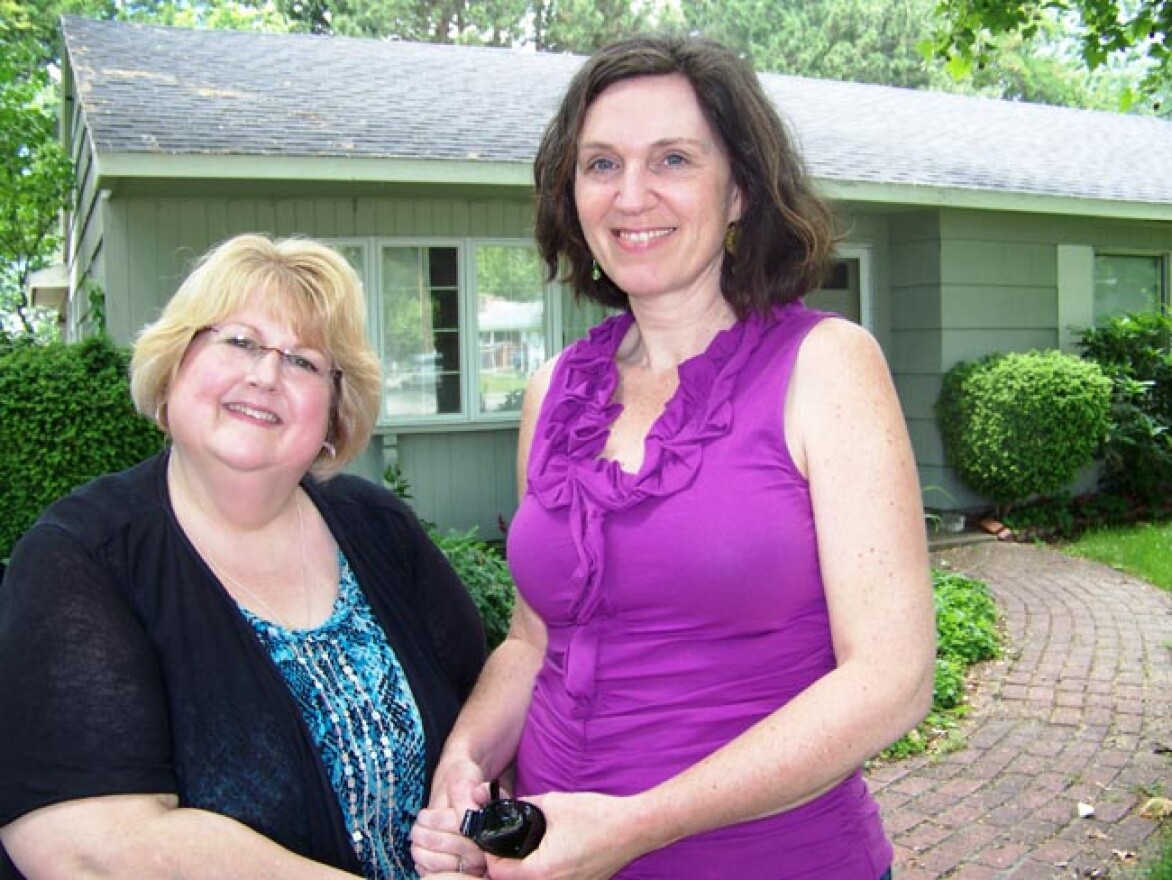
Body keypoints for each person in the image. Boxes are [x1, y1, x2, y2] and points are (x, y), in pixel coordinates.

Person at [409, 34, 937, 880]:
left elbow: (893, 677)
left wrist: (636, 825)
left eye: (674, 159)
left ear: (739, 193)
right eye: (601, 164)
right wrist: (467, 759)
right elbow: (534, 635)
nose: (632, 195)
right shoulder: (554, 392)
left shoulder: (825, 365)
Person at [0, 234, 487, 880]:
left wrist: (477, 824)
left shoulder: (381, 528)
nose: (265, 374)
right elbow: (85, 844)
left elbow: (481, 720)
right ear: (176, 362)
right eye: (239, 341)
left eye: (304, 361)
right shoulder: (81, 558)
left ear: (335, 412)